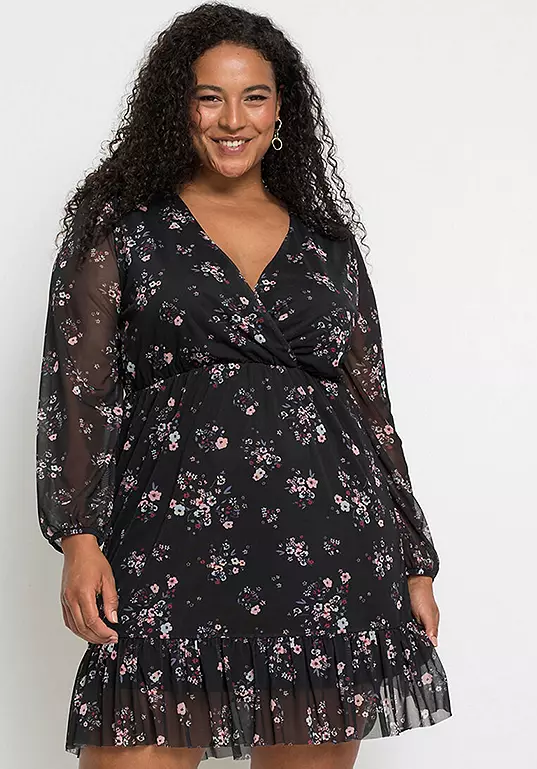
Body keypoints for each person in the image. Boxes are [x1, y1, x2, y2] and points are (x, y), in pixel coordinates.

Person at [35, 3, 452, 767]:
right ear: (177, 107)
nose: (233, 119)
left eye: (254, 97)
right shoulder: (121, 225)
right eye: (209, 97)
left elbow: (371, 408)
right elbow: (79, 391)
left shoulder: (327, 242)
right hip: (170, 540)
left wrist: (414, 560)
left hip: (330, 545)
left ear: (280, 108)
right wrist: (79, 538)